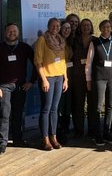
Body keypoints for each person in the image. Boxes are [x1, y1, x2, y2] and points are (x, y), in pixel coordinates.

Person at [0, 23, 36, 153]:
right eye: (9, 31)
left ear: (18, 33)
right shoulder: (1, 47)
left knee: (18, 113)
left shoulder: (24, 48)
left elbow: (37, 63)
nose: (12, 33)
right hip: (4, 86)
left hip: (21, 86)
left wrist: (32, 81)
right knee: (4, 115)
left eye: (14, 31)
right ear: (5, 33)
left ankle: (17, 139)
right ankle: (2, 143)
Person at [85, 20, 112, 146]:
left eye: (109, 27)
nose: (107, 29)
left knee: (110, 106)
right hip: (98, 78)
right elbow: (89, 63)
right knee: (98, 106)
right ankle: (98, 134)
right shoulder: (94, 42)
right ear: (100, 28)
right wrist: (88, 79)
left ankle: (107, 131)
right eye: (104, 27)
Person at [34, 18, 68, 150]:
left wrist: (66, 79)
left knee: (55, 109)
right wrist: (43, 79)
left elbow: (63, 61)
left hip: (59, 78)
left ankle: (54, 137)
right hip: (47, 78)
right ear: (48, 26)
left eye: (58, 26)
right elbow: (38, 61)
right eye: (53, 25)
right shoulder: (42, 40)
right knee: (46, 109)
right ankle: (45, 139)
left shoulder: (60, 41)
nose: (56, 27)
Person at [71, 18, 95, 138]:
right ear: (80, 27)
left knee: (91, 104)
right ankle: (79, 130)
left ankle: (92, 129)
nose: (86, 27)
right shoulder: (75, 40)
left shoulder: (95, 40)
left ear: (91, 27)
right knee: (78, 104)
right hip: (77, 76)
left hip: (91, 77)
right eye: (84, 25)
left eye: (88, 25)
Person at [57, 21, 73, 144]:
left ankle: (65, 128)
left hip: (70, 74)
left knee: (68, 103)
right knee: (60, 104)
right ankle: (59, 130)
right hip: (59, 75)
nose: (67, 30)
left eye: (69, 28)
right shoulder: (56, 42)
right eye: (65, 28)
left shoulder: (70, 41)